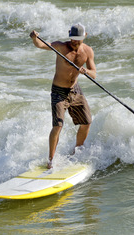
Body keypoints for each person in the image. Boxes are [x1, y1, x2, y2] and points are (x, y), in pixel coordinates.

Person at [30, 23, 96, 169]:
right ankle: (51, 161)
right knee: (57, 126)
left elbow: (94, 73)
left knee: (86, 122)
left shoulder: (88, 51)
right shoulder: (60, 46)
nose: (74, 42)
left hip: (75, 91)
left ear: (85, 36)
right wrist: (35, 38)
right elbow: (41, 45)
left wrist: (87, 72)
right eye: (72, 38)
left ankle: (76, 152)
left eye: (78, 39)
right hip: (59, 92)